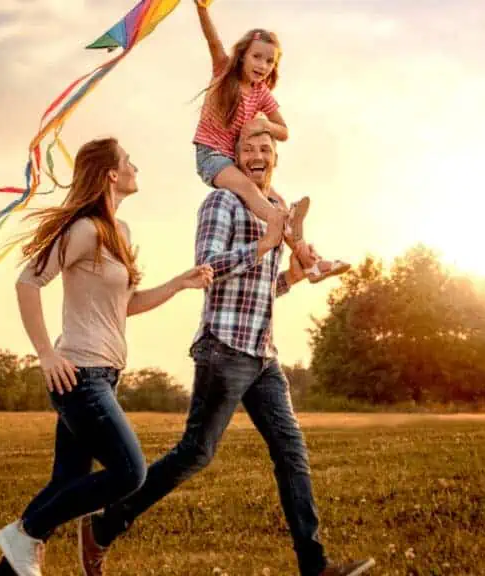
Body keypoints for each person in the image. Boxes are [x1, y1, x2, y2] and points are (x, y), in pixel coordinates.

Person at [77, 129, 375, 576]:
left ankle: (315, 567)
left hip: (262, 353)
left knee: (291, 450)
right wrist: (265, 244)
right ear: (234, 160)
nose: (258, 156)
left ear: (275, 158)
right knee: (196, 452)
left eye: (265, 149)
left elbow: (262, 290)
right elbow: (208, 266)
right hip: (224, 349)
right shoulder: (222, 203)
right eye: (248, 150)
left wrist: (292, 276)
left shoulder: (276, 209)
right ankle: (104, 526)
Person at [0, 137, 214, 576]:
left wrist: (178, 284)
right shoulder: (84, 229)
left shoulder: (119, 233)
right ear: (112, 174)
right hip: (79, 375)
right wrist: (46, 353)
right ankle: (26, 532)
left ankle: (11, 561)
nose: (135, 166)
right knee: (130, 473)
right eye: (129, 160)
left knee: (67, 483)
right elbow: (28, 282)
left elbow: (125, 305)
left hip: (104, 375)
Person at [191, 0, 350, 284]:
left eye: (269, 61)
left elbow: (284, 131)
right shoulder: (224, 73)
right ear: (242, 56)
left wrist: (264, 124)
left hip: (235, 158)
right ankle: (281, 222)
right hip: (212, 156)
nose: (263, 65)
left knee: (276, 199)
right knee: (254, 193)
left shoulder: (261, 93)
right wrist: (202, 9)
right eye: (257, 57)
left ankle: (311, 264)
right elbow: (212, 40)